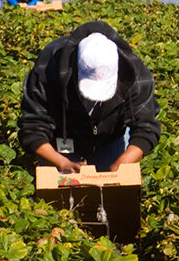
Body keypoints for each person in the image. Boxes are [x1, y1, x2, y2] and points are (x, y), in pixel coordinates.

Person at [18, 21, 160, 173]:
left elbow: (146, 127)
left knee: (112, 190)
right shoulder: (49, 67)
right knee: (62, 190)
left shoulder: (135, 75)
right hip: (62, 139)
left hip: (109, 139)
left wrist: (123, 163)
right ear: (76, 70)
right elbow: (33, 127)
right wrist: (61, 163)